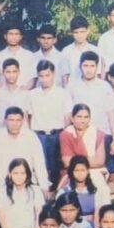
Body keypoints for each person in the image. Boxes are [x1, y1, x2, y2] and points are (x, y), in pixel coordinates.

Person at [26, 61, 72, 191]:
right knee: (40, 167)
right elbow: (28, 116)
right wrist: (30, 134)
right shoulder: (32, 94)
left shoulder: (63, 94)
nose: (45, 79)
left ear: (53, 74)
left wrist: (64, 137)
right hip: (39, 135)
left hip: (57, 135)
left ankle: (57, 195)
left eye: (48, 75)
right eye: (41, 76)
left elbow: (67, 117)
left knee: (57, 168)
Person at [67, 52, 114, 157]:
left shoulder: (105, 86)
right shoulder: (72, 86)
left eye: (92, 66)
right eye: (85, 66)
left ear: (97, 67)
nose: (89, 69)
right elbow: (68, 113)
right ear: (80, 66)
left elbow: (111, 114)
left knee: (102, 165)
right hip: (80, 135)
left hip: (102, 134)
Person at [0, 106, 49, 195]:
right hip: (3, 185)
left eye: (18, 120)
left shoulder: (31, 136)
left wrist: (44, 186)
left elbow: (39, 163)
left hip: (28, 184)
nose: (14, 124)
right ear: (5, 121)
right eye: (11, 120)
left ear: (23, 121)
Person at [57, 155, 111, 225]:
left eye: (82, 170)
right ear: (72, 172)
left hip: (92, 225)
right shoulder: (64, 192)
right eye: (76, 170)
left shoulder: (94, 191)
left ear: (88, 171)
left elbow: (99, 213)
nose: (80, 174)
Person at [0, 22, 38, 89]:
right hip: (4, 93)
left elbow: (33, 78)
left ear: (21, 37)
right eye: (11, 34)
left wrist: (23, 90)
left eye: (16, 34)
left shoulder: (29, 56)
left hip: (25, 92)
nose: (13, 37)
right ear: (5, 36)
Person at [61, 16, 101, 81]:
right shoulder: (66, 51)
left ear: (88, 31)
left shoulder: (95, 50)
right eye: (76, 32)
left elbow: (98, 74)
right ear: (71, 33)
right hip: (73, 86)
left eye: (82, 32)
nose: (79, 35)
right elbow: (65, 76)